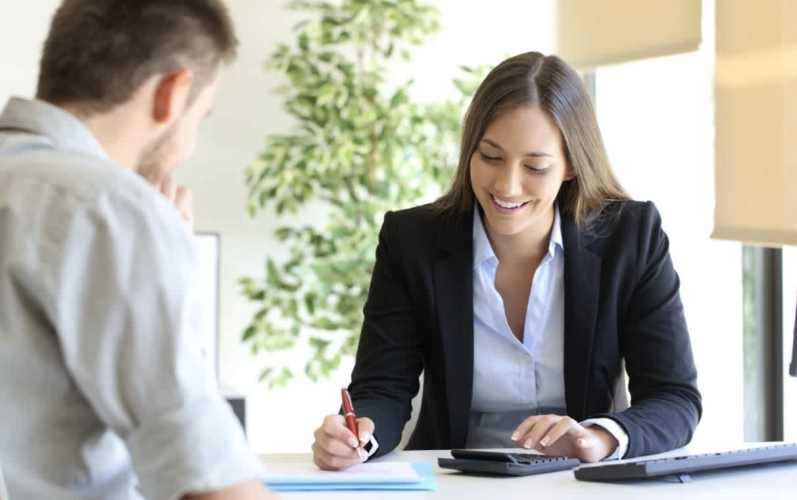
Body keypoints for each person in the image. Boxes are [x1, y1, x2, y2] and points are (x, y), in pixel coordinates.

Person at [311, 51, 702, 470]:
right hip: (456, 483)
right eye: (491, 157)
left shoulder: (631, 237)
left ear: (571, 166)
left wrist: (598, 438)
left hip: (579, 481)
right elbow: (382, 388)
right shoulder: (412, 241)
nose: (507, 186)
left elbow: (674, 398)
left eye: (535, 166)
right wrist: (359, 436)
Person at [0, 1, 276, 499]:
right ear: (172, 92)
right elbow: (206, 479)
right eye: (201, 117)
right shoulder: (104, 205)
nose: (190, 145)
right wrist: (162, 260)